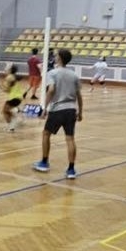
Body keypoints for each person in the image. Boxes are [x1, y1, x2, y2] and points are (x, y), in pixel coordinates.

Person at [32, 49, 83, 179]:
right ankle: (71, 170)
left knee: (46, 134)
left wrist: (45, 107)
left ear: (59, 58)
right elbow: (79, 95)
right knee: (70, 138)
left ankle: (44, 162)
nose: (54, 57)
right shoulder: (74, 75)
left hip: (57, 109)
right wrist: (80, 111)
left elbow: (51, 90)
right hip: (71, 109)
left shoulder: (52, 73)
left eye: (55, 55)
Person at [1, 64, 25, 132]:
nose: (5, 70)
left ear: (10, 70)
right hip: (18, 97)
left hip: (14, 97)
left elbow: (7, 90)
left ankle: (16, 112)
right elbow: (10, 90)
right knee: (6, 111)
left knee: (5, 111)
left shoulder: (9, 77)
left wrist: (1, 87)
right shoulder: (13, 76)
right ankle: (11, 126)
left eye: (7, 69)